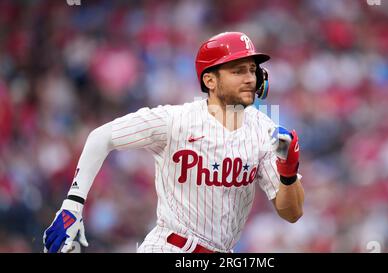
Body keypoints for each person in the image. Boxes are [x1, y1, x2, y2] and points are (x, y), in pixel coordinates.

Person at [43, 31, 305, 253]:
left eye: (252, 70)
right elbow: (101, 137)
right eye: (238, 71)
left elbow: (291, 213)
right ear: (210, 80)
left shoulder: (266, 131)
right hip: (171, 247)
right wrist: (73, 204)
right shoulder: (175, 120)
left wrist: (288, 173)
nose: (250, 78)